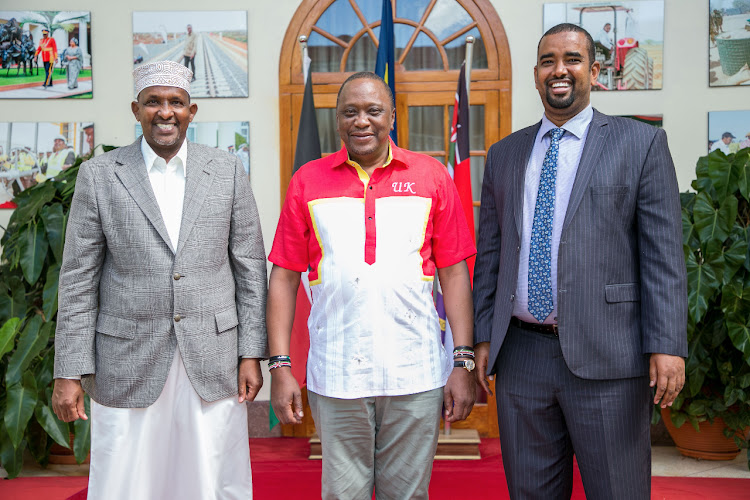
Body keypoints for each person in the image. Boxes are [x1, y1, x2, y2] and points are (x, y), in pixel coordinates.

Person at [472, 24, 687, 500]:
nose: (559, 70)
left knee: (618, 491)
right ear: (535, 75)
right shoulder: (506, 155)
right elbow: (491, 254)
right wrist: (483, 335)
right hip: (522, 358)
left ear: (593, 71)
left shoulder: (639, 143)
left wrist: (668, 344)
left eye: (571, 59)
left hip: (610, 355)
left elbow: (663, 254)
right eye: (548, 61)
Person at [51, 60, 267, 500]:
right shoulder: (100, 175)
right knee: (126, 481)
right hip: (125, 355)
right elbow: (77, 279)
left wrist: (251, 354)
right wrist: (68, 371)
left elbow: (249, 267)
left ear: (192, 110)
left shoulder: (226, 171)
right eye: (153, 102)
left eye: (175, 103)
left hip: (212, 354)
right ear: (136, 110)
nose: (164, 112)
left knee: (210, 476)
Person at [267, 72, 477, 500]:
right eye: (350, 112)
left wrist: (463, 361)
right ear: (337, 120)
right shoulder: (307, 181)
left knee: (408, 495)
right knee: (344, 495)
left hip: (414, 372)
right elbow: (284, 278)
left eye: (373, 110)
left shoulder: (431, 176)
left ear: (392, 117)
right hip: (337, 373)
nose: (361, 121)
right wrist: (281, 366)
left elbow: (454, 274)